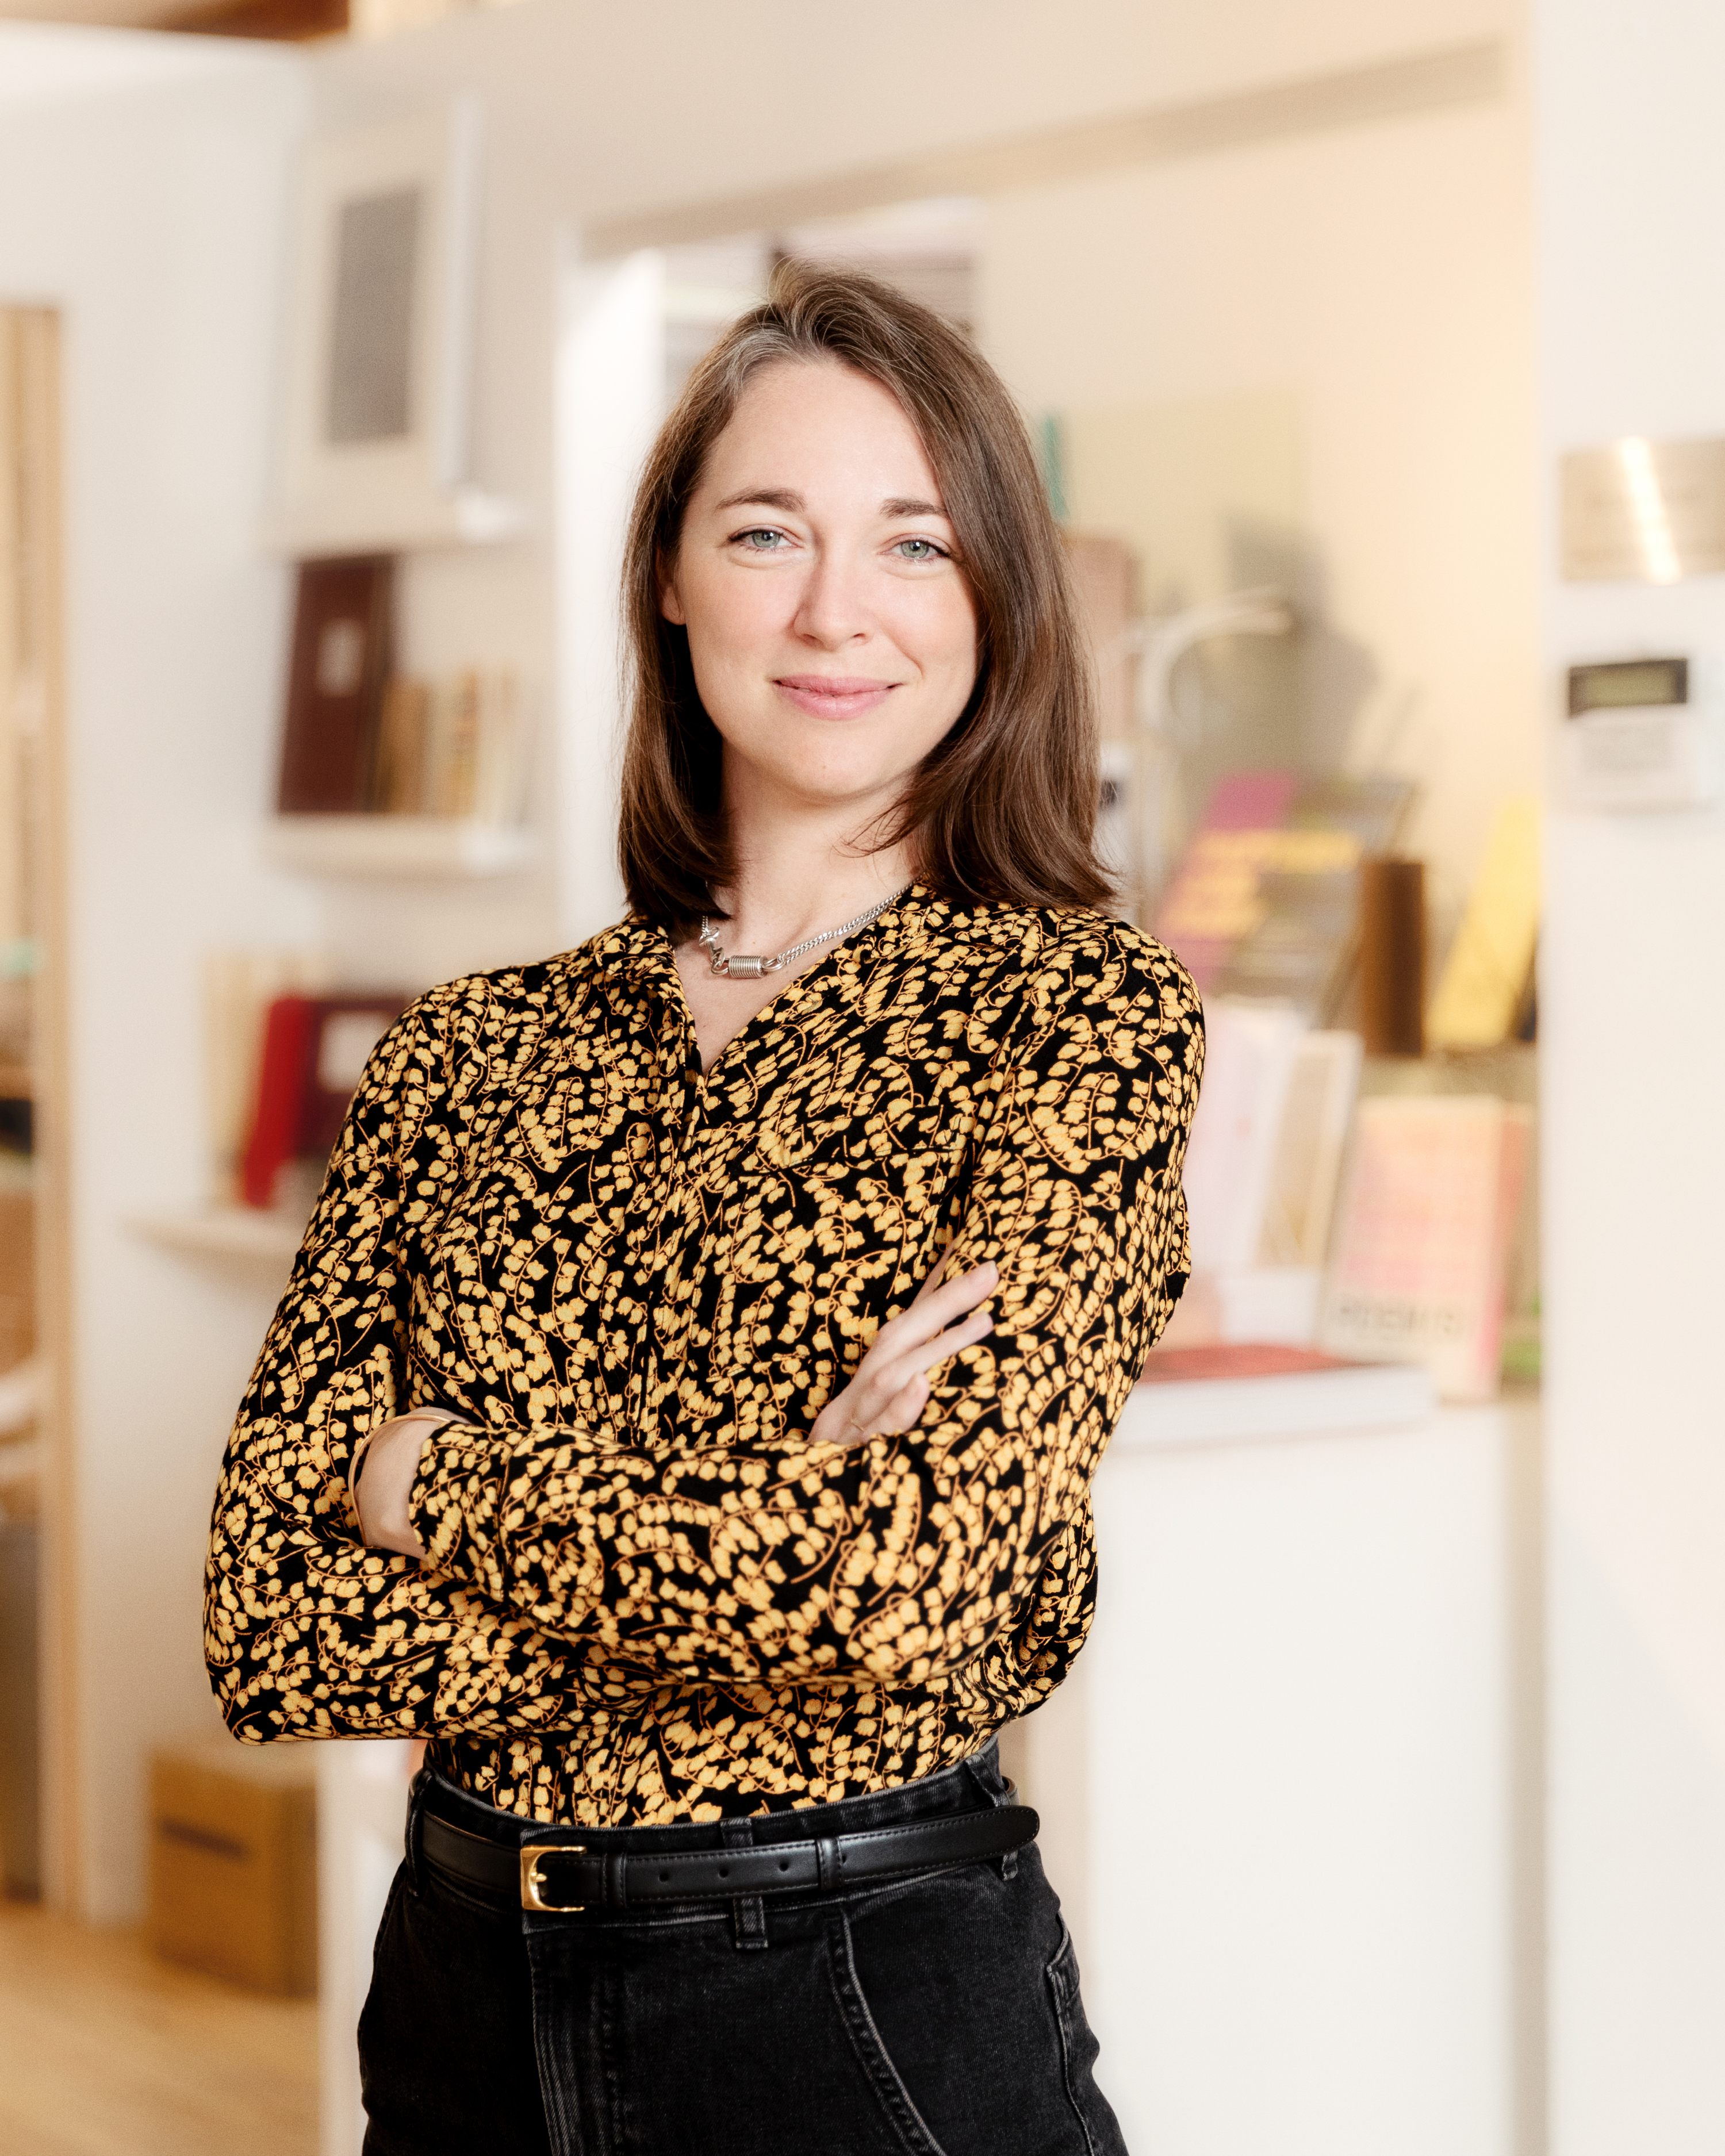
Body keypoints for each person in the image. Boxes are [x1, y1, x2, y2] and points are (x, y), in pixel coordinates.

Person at [205, 260, 1201, 2156]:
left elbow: (910, 1583)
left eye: (915, 544)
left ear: (994, 594)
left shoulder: (1073, 1015)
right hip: (461, 1992)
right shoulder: (473, 1047)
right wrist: (772, 1509)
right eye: (769, 532)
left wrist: (432, 1480)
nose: (839, 610)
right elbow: (273, 1616)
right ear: (671, 573)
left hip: (852, 1996)